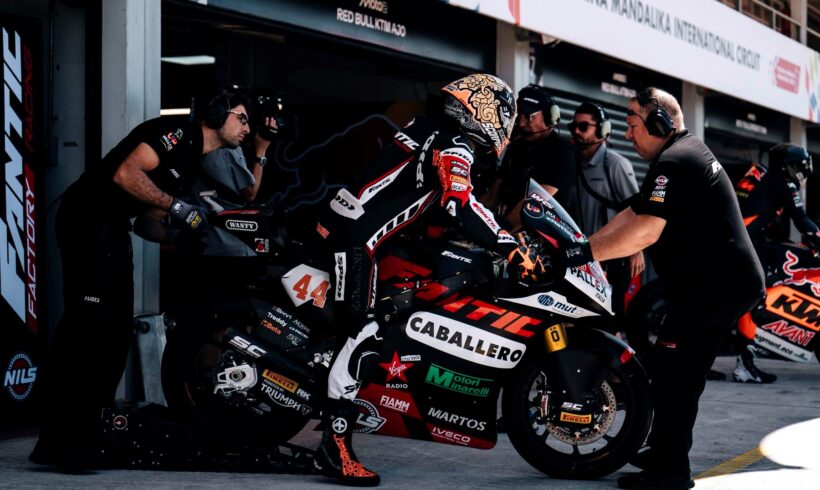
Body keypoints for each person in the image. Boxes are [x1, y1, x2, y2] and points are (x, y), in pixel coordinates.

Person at [312, 74, 539, 486]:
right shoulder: (454, 146)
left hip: (353, 228)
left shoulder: (429, 128)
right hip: (356, 239)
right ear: (484, 110)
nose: (508, 123)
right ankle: (335, 446)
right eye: (505, 113)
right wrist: (508, 245)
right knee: (363, 335)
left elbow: (416, 193)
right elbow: (461, 204)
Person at [30, 91, 252, 470]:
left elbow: (147, 223)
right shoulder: (177, 134)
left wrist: (179, 236)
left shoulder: (193, 164)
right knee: (89, 331)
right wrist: (177, 207)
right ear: (217, 114)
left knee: (115, 334)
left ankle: (83, 436)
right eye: (242, 118)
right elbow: (125, 173)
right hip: (86, 220)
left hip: (112, 230)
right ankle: (63, 443)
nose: (247, 127)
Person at [558, 88, 764, 490]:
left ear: (660, 123)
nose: (628, 134)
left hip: (719, 287)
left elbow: (646, 231)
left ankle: (670, 473)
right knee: (674, 370)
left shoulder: (677, 160)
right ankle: (664, 453)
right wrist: (583, 249)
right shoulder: (676, 157)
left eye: (634, 124)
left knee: (676, 374)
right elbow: (634, 211)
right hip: (711, 285)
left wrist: (579, 258)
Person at [730, 143, 818, 383]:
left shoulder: (764, 177)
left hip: (734, 241)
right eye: (796, 167)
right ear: (785, 166)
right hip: (739, 245)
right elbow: (802, 221)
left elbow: (758, 217)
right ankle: (744, 365)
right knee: (754, 294)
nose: (799, 173)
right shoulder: (783, 182)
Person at [570, 101, 644, 333]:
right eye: (574, 126)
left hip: (612, 258)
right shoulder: (571, 163)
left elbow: (637, 210)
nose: (576, 132)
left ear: (602, 130)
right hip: (581, 255)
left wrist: (635, 251)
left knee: (608, 317)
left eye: (584, 127)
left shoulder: (616, 164)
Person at [483, 84, 578, 229]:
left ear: (549, 117)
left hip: (542, 242)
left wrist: (499, 233)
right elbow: (492, 196)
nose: (521, 123)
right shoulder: (516, 148)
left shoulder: (562, 152)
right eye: (519, 116)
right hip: (508, 234)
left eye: (529, 116)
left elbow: (534, 203)